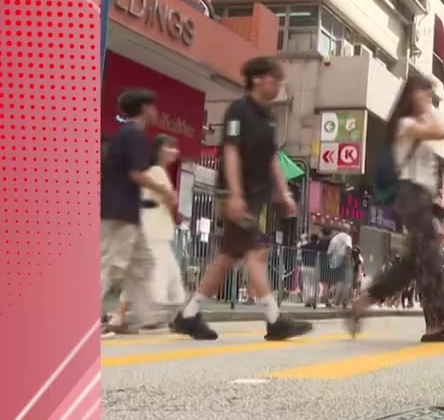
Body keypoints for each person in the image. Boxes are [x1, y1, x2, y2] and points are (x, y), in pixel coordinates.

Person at [173, 57, 312, 341]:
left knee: (227, 257)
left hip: (254, 196)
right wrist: (235, 193)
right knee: (255, 252)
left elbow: (272, 158)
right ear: (257, 79)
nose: (278, 85)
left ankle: (189, 315)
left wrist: (284, 192)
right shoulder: (238, 111)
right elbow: (231, 151)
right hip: (235, 194)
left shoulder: (268, 118)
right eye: (274, 78)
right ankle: (274, 319)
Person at [348, 75, 444, 341]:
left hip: (422, 198)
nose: (427, 100)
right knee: (430, 256)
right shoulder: (405, 124)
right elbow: (441, 130)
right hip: (410, 195)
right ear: (410, 95)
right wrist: (427, 108)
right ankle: (435, 324)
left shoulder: (415, 125)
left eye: (430, 96)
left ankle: (362, 302)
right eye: (423, 94)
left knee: (410, 265)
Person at [101, 89, 173, 334]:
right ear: (144, 108)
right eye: (152, 106)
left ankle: (148, 316)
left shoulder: (127, 134)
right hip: (120, 211)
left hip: (125, 210)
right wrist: (164, 190)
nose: (155, 111)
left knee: (141, 264)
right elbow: (136, 174)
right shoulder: (134, 135)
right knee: (112, 264)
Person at [105, 133, 186, 334]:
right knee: (157, 277)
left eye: (175, 147)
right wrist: (173, 204)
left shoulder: (153, 172)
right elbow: (169, 201)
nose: (174, 151)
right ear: (159, 150)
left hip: (154, 230)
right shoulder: (157, 172)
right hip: (156, 232)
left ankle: (175, 316)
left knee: (153, 276)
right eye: (170, 147)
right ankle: (166, 317)